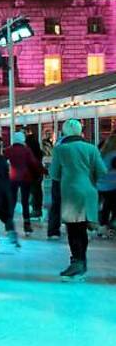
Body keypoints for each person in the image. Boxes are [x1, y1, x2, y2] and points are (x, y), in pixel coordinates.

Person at [49, 119, 107, 281]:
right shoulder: (91, 148)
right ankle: (82, 263)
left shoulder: (61, 150)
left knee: (74, 229)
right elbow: (102, 170)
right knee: (82, 229)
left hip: (71, 193)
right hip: (89, 192)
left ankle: (77, 262)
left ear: (65, 132)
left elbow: (54, 174)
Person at [5, 132, 45, 235]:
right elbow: (33, 162)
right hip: (25, 177)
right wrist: (43, 170)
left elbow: (3, 159)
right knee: (25, 202)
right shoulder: (26, 150)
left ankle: (9, 223)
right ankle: (27, 225)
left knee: (12, 201)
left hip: (13, 177)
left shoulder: (9, 150)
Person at [97, 134, 116, 234]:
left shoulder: (102, 153)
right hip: (112, 185)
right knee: (109, 206)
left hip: (101, 184)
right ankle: (107, 224)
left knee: (107, 206)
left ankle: (103, 224)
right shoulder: (114, 155)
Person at [26, 131, 46, 219]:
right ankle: (37, 209)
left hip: (31, 174)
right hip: (38, 174)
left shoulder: (29, 152)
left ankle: (35, 209)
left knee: (33, 192)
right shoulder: (39, 152)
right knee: (37, 191)